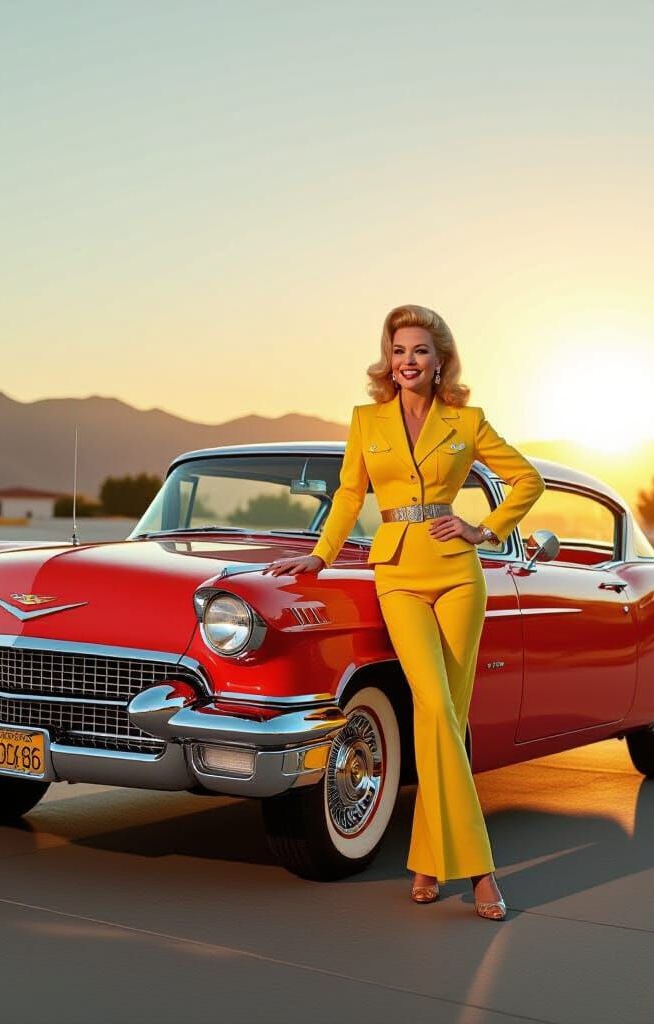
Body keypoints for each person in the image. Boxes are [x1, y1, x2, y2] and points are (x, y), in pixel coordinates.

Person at [263, 303, 545, 920]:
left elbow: (527, 482)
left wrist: (482, 529)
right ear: (387, 361)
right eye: (398, 351)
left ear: (439, 360)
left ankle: (424, 859)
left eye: (419, 350)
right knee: (439, 712)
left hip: (459, 578)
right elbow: (348, 493)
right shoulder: (367, 420)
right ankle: (480, 870)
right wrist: (319, 555)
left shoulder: (467, 421)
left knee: (441, 721)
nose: (408, 361)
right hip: (397, 576)